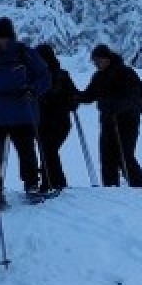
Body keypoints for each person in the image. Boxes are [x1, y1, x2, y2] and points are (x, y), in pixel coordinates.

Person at [0, 17, 52, 206]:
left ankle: (31, 185)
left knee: (27, 152)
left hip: (23, 112)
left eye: (4, 37)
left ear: (11, 36)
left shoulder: (26, 54)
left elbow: (45, 77)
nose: (1, 42)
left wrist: (33, 89)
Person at [75, 44, 142, 188]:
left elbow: (134, 97)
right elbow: (89, 95)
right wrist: (75, 97)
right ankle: (110, 189)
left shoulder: (125, 73)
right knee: (107, 157)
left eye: (98, 61)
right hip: (108, 122)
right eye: (94, 62)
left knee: (124, 155)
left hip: (127, 121)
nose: (96, 64)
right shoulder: (98, 77)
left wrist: (116, 106)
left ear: (107, 59)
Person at [33, 42, 81, 191]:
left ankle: (53, 183)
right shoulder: (35, 76)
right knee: (48, 151)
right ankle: (53, 182)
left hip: (57, 122)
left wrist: (69, 102)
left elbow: (74, 96)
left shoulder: (61, 75)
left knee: (48, 150)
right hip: (43, 122)